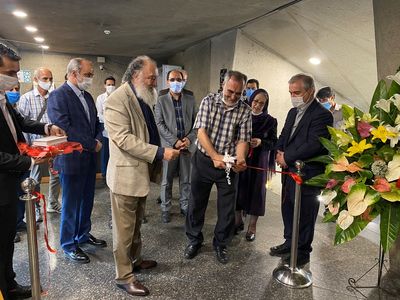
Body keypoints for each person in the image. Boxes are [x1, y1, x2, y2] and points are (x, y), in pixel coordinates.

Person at [104, 55, 179, 297]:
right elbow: (125, 139)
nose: (155, 81)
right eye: (150, 77)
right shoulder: (117, 100)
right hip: (125, 177)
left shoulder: (142, 96)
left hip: (139, 174)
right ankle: (123, 276)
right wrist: (159, 152)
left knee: (136, 225)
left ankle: (135, 260)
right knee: (123, 231)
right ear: (136, 75)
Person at [0, 43, 64, 300]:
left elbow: (20, 123)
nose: (16, 78)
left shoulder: (3, 99)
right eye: (11, 73)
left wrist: (47, 128)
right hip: (2, 184)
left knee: (6, 242)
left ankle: (9, 284)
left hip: (10, 183)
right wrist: (28, 162)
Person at [184, 70, 252, 264]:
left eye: (238, 94)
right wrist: (214, 156)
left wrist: (240, 159)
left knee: (227, 208)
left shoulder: (245, 111)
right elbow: (201, 131)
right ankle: (194, 240)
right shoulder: (208, 101)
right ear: (223, 85)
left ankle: (221, 244)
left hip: (228, 165)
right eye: (230, 91)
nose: (233, 97)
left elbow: (243, 140)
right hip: (204, 160)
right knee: (196, 203)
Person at [47, 58, 106, 264]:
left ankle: (83, 234)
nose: (91, 78)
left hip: (89, 158)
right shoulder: (58, 96)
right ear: (74, 73)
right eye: (88, 74)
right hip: (71, 160)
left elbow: (97, 122)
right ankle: (69, 244)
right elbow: (64, 129)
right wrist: (91, 143)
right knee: (71, 204)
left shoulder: (87, 96)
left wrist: (98, 139)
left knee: (87, 200)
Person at [272, 73, 333, 267]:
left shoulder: (322, 115)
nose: (293, 96)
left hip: (308, 174)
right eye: (290, 93)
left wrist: (286, 157)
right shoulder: (292, 112)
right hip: (289, 171)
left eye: (297, 92)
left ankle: (302, 251)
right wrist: (278, 152)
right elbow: (284, 135)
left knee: (305, 213)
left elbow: (313, 145)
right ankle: (289, 243)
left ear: (311, 91)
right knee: (288, 208)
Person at [235, 89, 277, 241]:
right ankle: (238, 220)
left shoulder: (270, 121)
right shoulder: (242, 115)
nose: (257, 105)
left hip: (259, 160)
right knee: (238, 187)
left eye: (261, 103)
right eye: (255, 101)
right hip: (242, 157)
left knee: (257, 192)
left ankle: (252, 225)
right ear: (250, 100)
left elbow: (274, 142)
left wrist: (261, 142)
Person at [18, 67, 62, 214]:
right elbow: (23, 124)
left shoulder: (54, 97)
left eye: (50, 78)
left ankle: (53, 203)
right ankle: (35, 208)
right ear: (35, 80)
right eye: (45, 79)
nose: (48, 82)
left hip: (53, 145)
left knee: (56, 174)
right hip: (35, 145)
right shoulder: (26, 98)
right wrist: (27, 148)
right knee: (34, 177)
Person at [155, 69, 196, 223]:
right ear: (167, 81)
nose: (176, 83)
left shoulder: (190, 99)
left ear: (183, 81)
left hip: (186, 146)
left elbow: (196, 123)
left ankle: (184, 206)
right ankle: (166, 208)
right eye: (172, 80)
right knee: (167, 179)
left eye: (178, 79)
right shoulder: (161, 100)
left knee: (186, 178)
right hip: (169, 146)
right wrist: (174, 141)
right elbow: (159, 123)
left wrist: (189, 139)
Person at [96, 76, 116, 182]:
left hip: (116, 130)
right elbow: (99, 113)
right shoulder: (100, 98)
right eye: (108, 85)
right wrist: (107, 121)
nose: (111, 86)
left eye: (112, 85)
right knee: (105, 154)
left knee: (115, 153)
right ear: (105, 86)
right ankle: (104, 174)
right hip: (105, 130)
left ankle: (114, 175)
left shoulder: (118, 97)